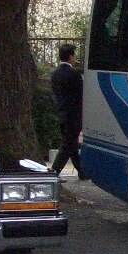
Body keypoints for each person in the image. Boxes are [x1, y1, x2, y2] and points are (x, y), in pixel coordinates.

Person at [49, 42, 83, 178]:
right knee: (68, 145)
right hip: (73, 115)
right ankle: (54, 171)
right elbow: (80, 97)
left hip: (61, 112)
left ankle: (82, 171)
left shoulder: (55, 75)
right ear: (70, 56)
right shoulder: (74, 75)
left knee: (71, 144)